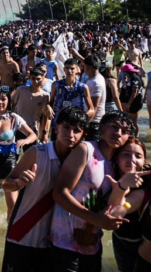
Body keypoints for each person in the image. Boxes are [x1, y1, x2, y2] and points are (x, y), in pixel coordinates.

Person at [1, 106, 89, 272]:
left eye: (76, 130)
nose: (70, 135)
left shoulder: (82, 162)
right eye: (66, 128)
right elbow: (6, 183)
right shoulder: (37, 153)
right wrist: (19, 182)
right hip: (24, 234)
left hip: (56, 242)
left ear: (83, 134)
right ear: (56, 127)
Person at [51, 111, 137, 272]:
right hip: (64, 243)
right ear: (102, 127)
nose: (118, 133)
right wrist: (97, 219)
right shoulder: (86, 150)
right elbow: (59, 193)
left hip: (93, 246)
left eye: (125, 132)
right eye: (114, 127)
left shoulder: (118, 165)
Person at [0, 86, 37, 220]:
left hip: (8, 160)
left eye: (3, 99)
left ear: (9, 100)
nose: (0, 102)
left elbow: (33, 135)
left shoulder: (14, 118)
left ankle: (10, 228)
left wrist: (25, 141)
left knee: (13, 201)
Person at [104, 138, 150, 272]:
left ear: (144, 161)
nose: (132, 160)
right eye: (126, 154)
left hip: (141, 246)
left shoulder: (145, 186)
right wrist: (121, 186)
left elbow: (113, 214)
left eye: (138, 156)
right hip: (122, 240)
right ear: (116, 158)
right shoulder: (108, 175)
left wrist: (121, 188)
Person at [12, 67, 50, 149]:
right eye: (33, 78)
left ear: (43, 78)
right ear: (30, 78)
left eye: (38, 79)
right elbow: (12, 104)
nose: (36, 81)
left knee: (31, 156)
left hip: (32, 129)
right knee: (14, 154)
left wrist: (44, 133)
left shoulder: (45, 96)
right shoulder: (21, 90)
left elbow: (44, 117)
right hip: (17, 127)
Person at [83, 54, 106, 141]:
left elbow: (94, 107)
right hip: (93, 121)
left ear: (87, 67)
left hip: (94, 123)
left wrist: (86, 125)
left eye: (84, 66)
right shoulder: (96, 78)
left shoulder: (96, 83)